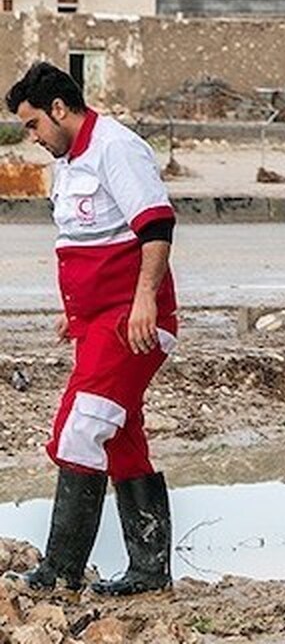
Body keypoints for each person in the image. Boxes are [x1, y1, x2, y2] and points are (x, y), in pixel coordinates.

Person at [5, 62, 178, 595]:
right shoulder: (70, 159)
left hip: (132, 323)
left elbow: (155, 224)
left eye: (33, 124)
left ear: (59, 109)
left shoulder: (115, 147)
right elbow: (89, 238)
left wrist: (145, 299)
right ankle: (149, 573)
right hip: (97, 322)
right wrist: (74, 310)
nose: (31, 137)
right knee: (121, 439)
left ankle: (61, 573)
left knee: (81, 428)